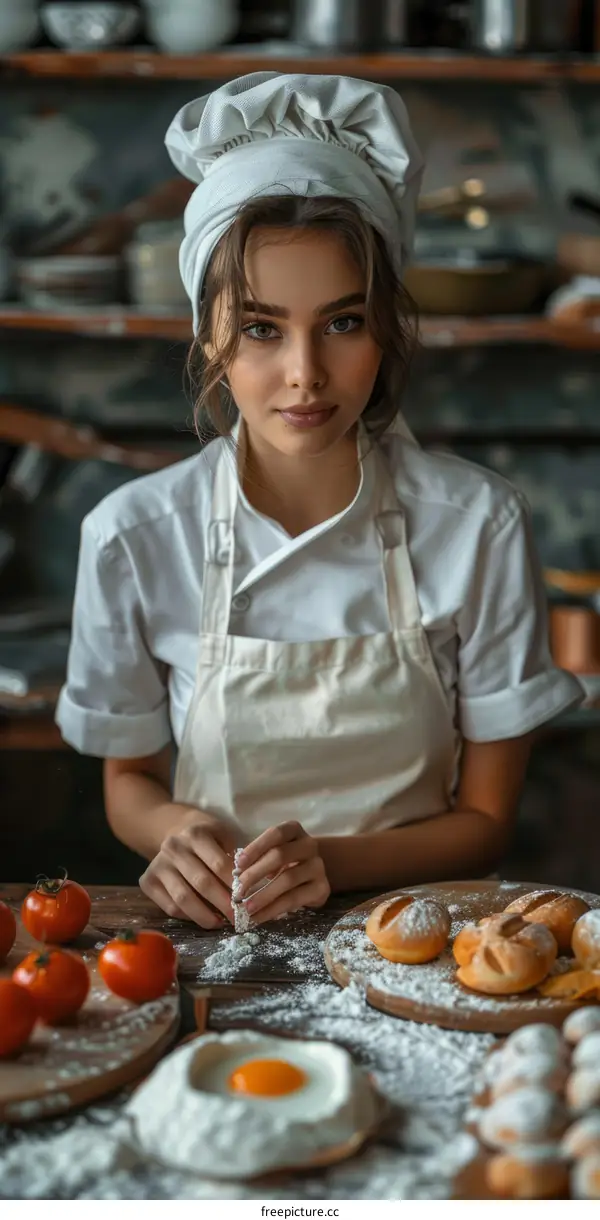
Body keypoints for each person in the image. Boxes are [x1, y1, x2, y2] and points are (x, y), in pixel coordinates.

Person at [56, 73, 583, 929]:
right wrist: (176, 831)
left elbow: (485, 825)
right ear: (211, 335)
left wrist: (327, 865)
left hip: (419, 938)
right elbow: (129, 781)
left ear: (385, 328)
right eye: (262, 328)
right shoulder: (132, 536)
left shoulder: (477, 525)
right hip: (214, 944)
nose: (305, 372)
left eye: (342, 323)